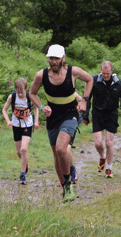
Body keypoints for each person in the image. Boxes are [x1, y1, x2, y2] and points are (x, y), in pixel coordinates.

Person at [28, 45, 93, 203]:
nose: (54, 62)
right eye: (51, 58)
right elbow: (32, 93)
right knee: (57, 155)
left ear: (63, 58)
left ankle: (69, 183)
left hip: (70, 114)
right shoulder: (41, 75)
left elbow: (90, 79)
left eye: (57, 58)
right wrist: (42, 107)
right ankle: (65, 186)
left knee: (61, 148)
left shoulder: (73, 71)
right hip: (53, 117)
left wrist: (84, 100)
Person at [81, 61, 121, 178]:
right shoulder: (94, 81)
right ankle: (102, 157)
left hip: (112, 115)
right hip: (97, 114)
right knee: (98, 143)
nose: (105, 75)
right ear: (101, 70)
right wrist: (85, 115)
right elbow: (87, 99)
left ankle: (109, 168)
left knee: (109, 142)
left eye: (107, 73)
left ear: (112, 71)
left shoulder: (119, 84)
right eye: (104, 73)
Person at [2, 77, 40, 185]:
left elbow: (36, 108)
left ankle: (22, 175)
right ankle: (26, 164)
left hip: (27, 124)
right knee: (18, 152)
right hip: (16, 125)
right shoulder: (12, 97)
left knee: (24, 149)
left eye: (21, 92)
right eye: (18, 92)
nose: (20, 95)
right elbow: (4, 110)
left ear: (26, 89)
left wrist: (36, 121)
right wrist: (8, 121)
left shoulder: (30, 96)